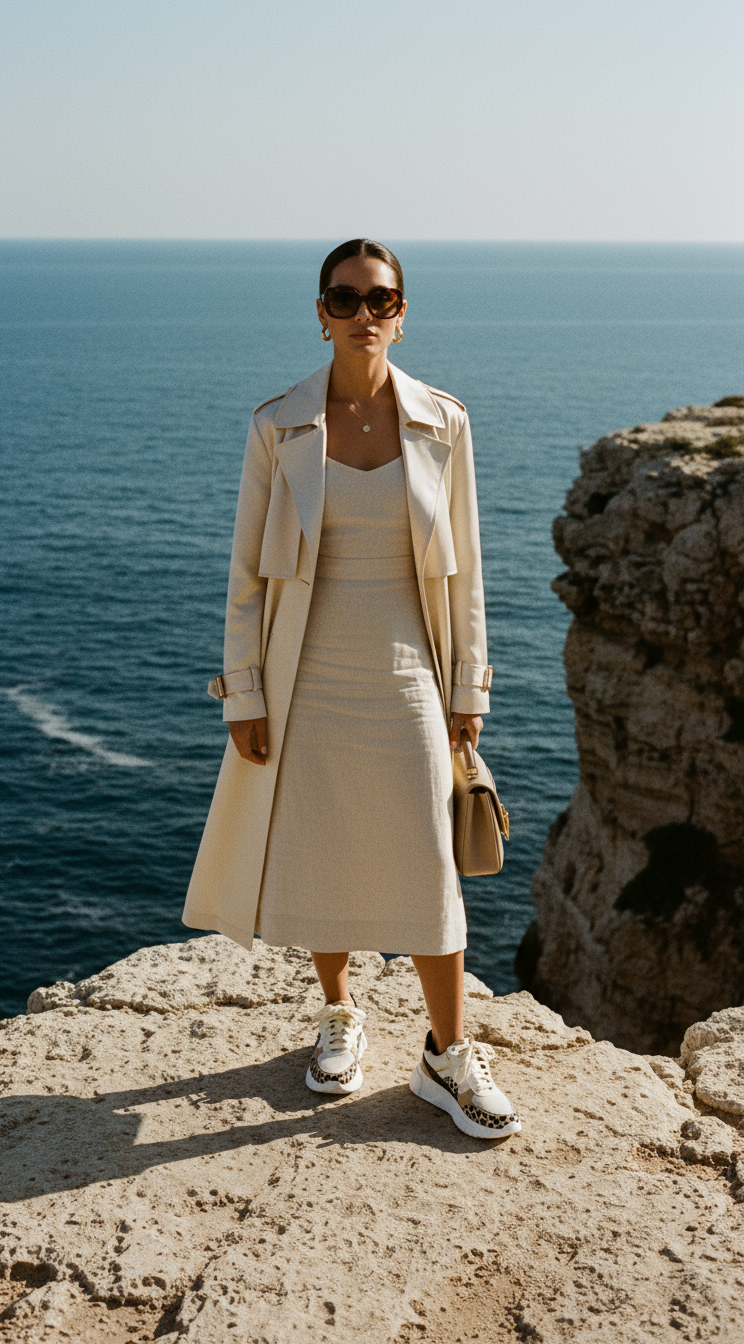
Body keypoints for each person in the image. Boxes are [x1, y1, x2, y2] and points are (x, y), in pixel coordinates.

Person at [183, 239, 521, 1140]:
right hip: (305, 674)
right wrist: (243, 694)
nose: (363, 315)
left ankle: (446, 1055)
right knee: (319, 844)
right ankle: (340, 1013)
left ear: (403, 314)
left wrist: (468, 684)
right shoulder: (278, 425)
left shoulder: (444, 422)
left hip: (411, 668)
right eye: (345, 299)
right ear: (321, 313)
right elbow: (246, 576)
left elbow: (470, 570)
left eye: (381, 300)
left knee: (427, 861)